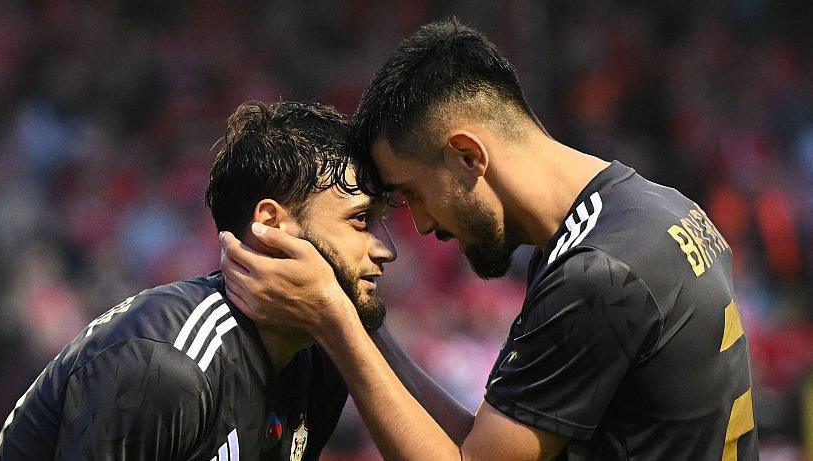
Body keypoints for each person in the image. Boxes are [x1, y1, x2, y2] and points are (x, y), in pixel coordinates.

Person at [220, 19, 758, 460]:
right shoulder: (650, 210)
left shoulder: (599, 273)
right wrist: (357, 312)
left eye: (414, 195)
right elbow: (483, 446)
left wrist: (331, 321)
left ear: (468, 156)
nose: (424, 226)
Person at [0, 100, 397, 460]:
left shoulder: (316, 360)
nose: (386, 248)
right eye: (361, 220)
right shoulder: (165, 368)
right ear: (272, 225)